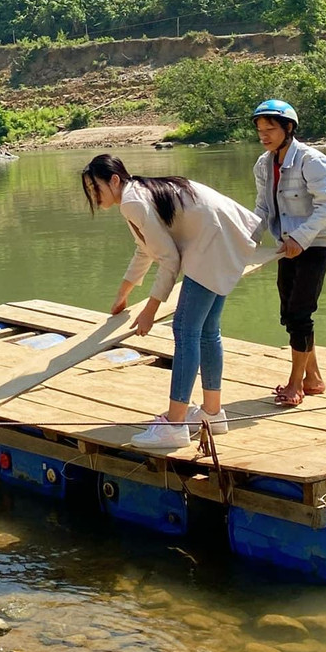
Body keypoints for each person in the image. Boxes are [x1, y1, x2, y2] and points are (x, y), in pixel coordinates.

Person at [81, 153, 264, 452]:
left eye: (95, 187)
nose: (93, 195)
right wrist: (123, 295)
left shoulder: (133, 201)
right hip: (223, 234)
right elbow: (146, 250)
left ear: (114, 180)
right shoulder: (135, 195)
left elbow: (169, 260)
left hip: (212, 240)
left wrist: (149, 311)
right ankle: (212, 413)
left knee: (184, 329)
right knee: (206, 330)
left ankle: (175, 425)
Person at [251, 100, 326, 407]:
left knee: (301, 311)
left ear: (288, 128)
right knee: (289, 312)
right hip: (286, 245)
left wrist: (301, 239)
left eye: (270, 129)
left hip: (316, 243)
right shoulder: (263, 164)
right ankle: (313, 379)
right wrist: (247, 240)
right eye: (260, 130)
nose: (264, 136)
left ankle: (295, 384)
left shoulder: (312, 161)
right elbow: (263, 208)